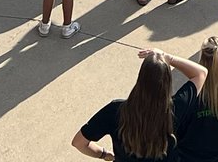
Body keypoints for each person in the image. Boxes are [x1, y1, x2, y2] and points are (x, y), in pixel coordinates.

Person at [72, 48, 208, 162]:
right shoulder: (176, 108)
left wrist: (103, 154)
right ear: (167, 81)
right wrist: (168, 57)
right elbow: (201, 73)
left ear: (141, 78)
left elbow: (79, 142)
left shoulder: (115, 110)